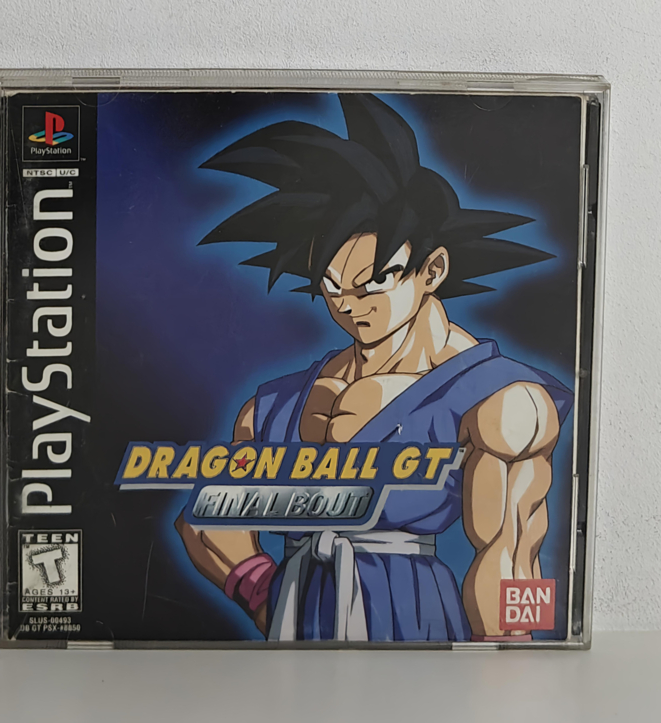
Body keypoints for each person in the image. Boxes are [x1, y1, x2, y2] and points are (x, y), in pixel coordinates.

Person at [176, 94, 573, 642]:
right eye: (332, 287)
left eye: (374, 283)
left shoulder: (503, 401)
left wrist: (508, 667)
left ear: (432, 270)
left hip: (414, 632)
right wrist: (272, 598)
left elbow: (511, 557)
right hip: (296, 642)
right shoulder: (274, 405)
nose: (349, 306)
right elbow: (204, 522)